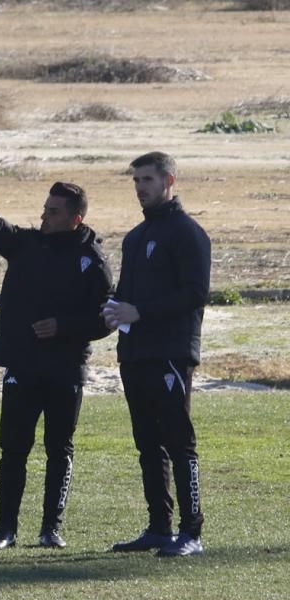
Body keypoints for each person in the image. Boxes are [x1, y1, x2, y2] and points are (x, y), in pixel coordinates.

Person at [0, 149, 113, 551]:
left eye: (53, 211)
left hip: (65, 368)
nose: (44, 215)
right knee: (13, 448)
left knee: (59, 449)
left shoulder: (93, 260)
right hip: (22, 364)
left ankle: (51, 528)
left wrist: (64, 328)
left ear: (75, 218)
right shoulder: (26, 245)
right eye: (44, 208)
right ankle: (5, 528)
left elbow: (106, 317)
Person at [103, 152, 211, 557]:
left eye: (147, 179)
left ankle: (192, 532)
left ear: (169, 181)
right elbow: (127, 295)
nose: (140, 187)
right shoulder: (135, 237)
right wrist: (113, 308)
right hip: (134, 354)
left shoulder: (188, 233)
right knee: (148, 443)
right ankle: (159, 528)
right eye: (135, 181)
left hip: (171, 353)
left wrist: (140, 312)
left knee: (179, 442)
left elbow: (195, 294)